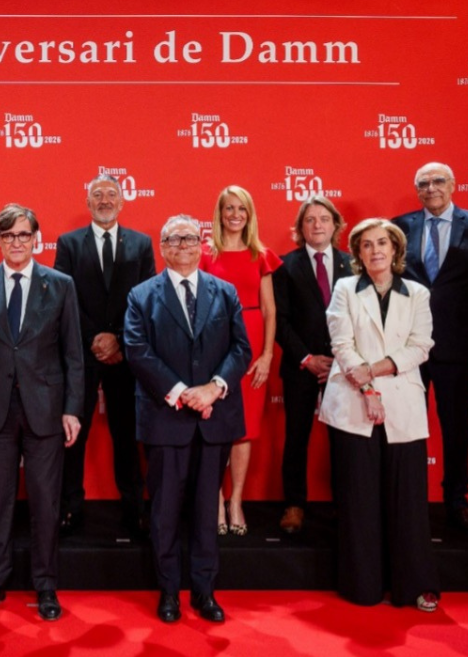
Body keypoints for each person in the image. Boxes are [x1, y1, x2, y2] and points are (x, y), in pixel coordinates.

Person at [0, 204, 83, 621]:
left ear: (36, 239)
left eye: (24, 235)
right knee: (0, 501)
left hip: (46, 408)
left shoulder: (61, 284)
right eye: (8, 235)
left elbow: (73, 355)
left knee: (46, 501)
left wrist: (72, 409)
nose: (17, 243)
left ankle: (46, 586)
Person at [124, 214, 250, 623]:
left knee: (203, 511)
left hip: (214, 417)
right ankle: (168, 592)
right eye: (174, 240)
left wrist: (213, 388)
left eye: (190, 238)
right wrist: (183, 394)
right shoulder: (141, 295)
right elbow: (138, 351)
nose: (183, 245)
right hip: (166, 419)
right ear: (161, 248)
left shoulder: (225, 291)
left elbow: (241, 349)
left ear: (202, 245)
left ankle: (204, 590)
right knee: (164, 511)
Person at [319, 218, 439, 613]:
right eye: (366, 245)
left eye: (382, 243)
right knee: (359, 500)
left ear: (396, 249)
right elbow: (341, 343)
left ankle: (414, 586)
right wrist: (367, 388)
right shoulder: (344, 289)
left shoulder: (417, 292)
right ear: (357, 253)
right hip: (353, 404)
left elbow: (421, 346)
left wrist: (376, 370)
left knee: (407, 501)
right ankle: (362, 585)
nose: (375, 251)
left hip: (403, 403)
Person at [392, 162, 468, 536]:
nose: (431, 188)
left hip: (458, 345)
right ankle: (408, 504)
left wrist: (458, 321)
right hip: (406, 348)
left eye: (438, 181)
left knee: (456, 428)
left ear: (453, 185)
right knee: (406, 427)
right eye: (423, 183)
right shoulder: (400, 226)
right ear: (416, 189)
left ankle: (457, 501)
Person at [54, 174, 156, 538]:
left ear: (122, 201)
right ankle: (69, 508)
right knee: (72, 434)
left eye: (111, 194)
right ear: (88, 202)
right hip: (80, 353)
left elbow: (147, 299)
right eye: (97, 194)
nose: (104, 200)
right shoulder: (68, 244)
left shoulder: (142, 244)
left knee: (127, 434)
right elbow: (64, 299)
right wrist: (95, 339)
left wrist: (118, 341)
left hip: (126, 355)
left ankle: (135, 508)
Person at [199, 185, 280, 536]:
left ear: (250, 215)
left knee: (244, 429)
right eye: (229, 208)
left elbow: (269, 309)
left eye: (241, 209)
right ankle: (215, 501)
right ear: (219, 213)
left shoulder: (260, 255)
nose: (235, 215)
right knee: (213, 425)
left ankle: (236, 503)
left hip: (252, 346)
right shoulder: (203, 254)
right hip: (213, 345)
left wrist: (265, 356)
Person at [272, 196, 351, 534]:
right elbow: (280, 320)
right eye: (309, 220)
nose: (317, 225)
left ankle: (346, 505)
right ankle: (294, 504)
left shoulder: (354, 264)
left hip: (346, 368)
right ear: (300, 228)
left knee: (345, 440)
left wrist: (342, 360)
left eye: (323, 219)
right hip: (300, 367)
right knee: (296, 438)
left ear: (335, 225)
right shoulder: (284, 266)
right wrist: (306, 358)